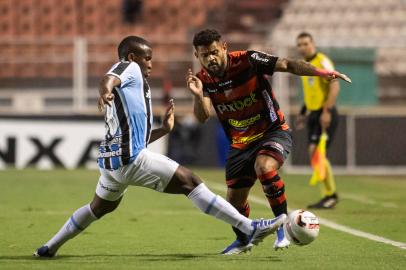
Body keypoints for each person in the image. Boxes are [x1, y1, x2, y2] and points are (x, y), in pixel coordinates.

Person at [33, 36, 286, 258]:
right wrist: (106, 91)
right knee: (191, 182)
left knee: (99, 207)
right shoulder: (129, 67)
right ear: (133, 57)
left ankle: (50, 247)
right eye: (147, 58)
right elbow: (109, 78)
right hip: (130, 159)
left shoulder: (134, 88)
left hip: (111, 163)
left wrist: (164, 130)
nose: (150, 64)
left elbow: (135, 135)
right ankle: (249, 227)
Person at [186, 29, 350, 254]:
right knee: (232, 206)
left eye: (214, 52)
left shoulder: (248, 60)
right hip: (240, 143)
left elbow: (288, 65)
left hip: (272, 131)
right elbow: (203, 117)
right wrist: (197, 95)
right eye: (204, 55)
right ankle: (244, 241)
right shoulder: (203, 80)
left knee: (264, 167)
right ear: (197, 56)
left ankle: (282, 230)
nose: (210, 58)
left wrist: (321, 73)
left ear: (224, 47)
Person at [295, 32, 340, 209]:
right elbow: (311, 93)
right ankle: (328, 195)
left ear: (313, 43)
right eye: (299, 45)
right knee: (315, 154)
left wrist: (327, 111)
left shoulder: (323, 61)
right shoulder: (305, 66)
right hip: (313, 114)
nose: (303, 47)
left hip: (324, 113)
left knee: (317, 153)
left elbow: (334, 86)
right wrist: (303, 112)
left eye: (306, 43)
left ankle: (331, 195)